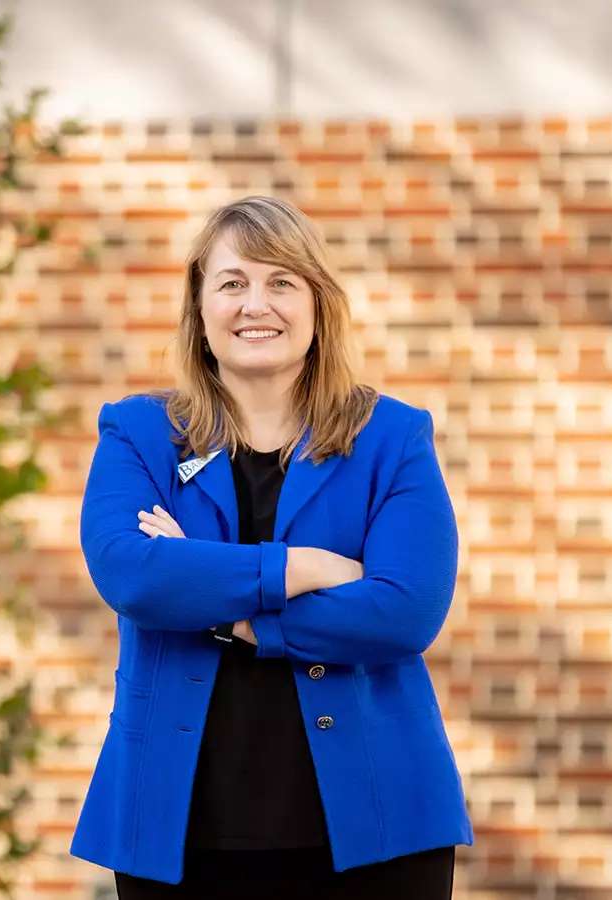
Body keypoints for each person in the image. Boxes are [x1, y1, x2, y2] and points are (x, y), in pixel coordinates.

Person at [68, 196, 473, 898]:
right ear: (199, 308)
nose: (257, 304)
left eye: (281, 281)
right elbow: (132, 574)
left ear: (319, 305)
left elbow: (406, 611)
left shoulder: (392, 439)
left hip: (378, 827)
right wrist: (303, 569)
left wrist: (231, 615)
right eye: (232, 283)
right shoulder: (138, 434)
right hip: (179, 828)